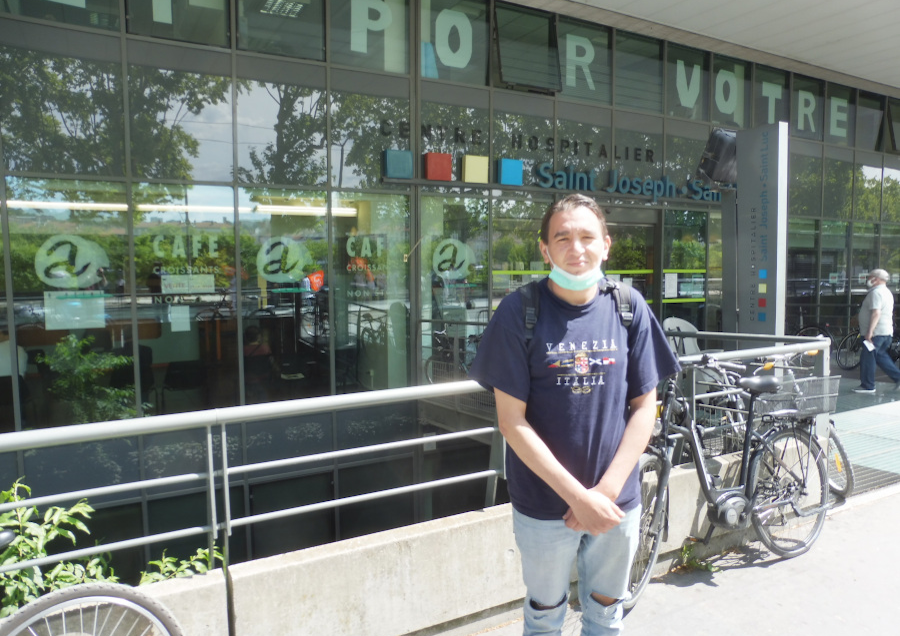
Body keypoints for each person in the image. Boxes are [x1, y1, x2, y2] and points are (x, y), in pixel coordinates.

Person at [468, 194, 680, 635]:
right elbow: (511, 422)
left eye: (587, 236)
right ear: (544, 249)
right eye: (562, 237)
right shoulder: (518, 312)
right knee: (545, 619)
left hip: (615, 503)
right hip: (544, 508)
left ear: (606, 245)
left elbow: (645, 407)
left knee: (606, 614)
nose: (575, 247)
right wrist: (578, 499)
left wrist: (603, 492)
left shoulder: (628, 306)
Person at [852, 268, 900, 394]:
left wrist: (870, 332)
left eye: (870, 277)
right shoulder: (887, 292)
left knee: (867, 357)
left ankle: (868, 385)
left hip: (876, 334)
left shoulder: (876, 293)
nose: (868, 279)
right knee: (880, 357)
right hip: (885, 333)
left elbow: (876, 313)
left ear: (876, 279)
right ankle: (898, 378)